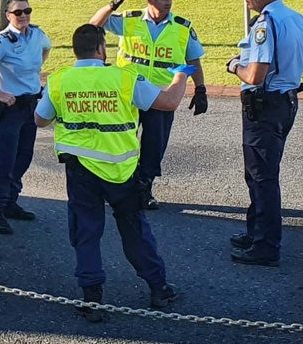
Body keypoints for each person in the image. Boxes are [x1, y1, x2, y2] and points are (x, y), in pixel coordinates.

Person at [34, 24, 189, 321]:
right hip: (122, 169)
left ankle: (92, 299)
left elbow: (40, 120)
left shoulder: (59, 80)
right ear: (101, 49)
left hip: (80, 170)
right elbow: (168, 102)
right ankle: (158, 287)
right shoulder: (124, 78)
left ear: (76, 50)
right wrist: (181, 74)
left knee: (86, 232)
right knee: (134, 230)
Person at [90, 0, 207, 210]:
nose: (169, 3)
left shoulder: (182, 26)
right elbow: (93, 27)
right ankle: (119, 184)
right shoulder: (130, 19)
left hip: (162, 95)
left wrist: (200, 89)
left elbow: (193, 59)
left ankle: (145, 186)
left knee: (155, 143)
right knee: (122, 140)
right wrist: (113, 4)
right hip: (128, 92)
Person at [227, 0, 303, 267]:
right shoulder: (296, 18)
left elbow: (256, 75)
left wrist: (234, 65)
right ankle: (256, 232)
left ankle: (265, 247)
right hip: (286, 102)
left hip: (265, 106)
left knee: (262, 178)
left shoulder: (265, 24)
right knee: (260, 174)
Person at [0, 0, 51, 235]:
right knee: (3, 161)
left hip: (30, 105)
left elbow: (46, 49)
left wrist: (33, 73)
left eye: (27, 10)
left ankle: (11, 201)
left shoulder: (36, 34)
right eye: (18, 12)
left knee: (23, 156)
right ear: (8, 16)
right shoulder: (2, 41)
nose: (24, 15)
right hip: (9, 108)